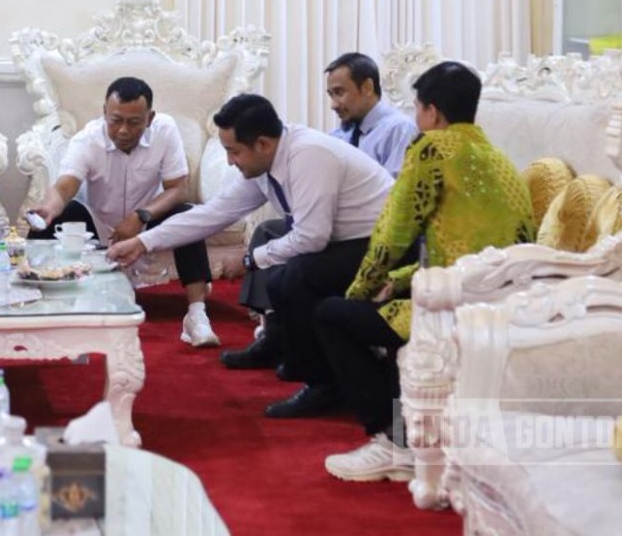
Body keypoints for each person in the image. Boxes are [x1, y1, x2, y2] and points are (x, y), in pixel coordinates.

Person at [109, 93, 393, 417]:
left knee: (295, 278)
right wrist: (144, 242)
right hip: (343, 239)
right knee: (280, 273)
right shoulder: (267, 163)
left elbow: (312, 237)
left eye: (233, 151)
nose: (230, 161)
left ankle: (324, 386)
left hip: (378, 245)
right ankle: (279, 346)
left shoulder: (309, 155)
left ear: (262, 144)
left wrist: (252, 258)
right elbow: (212, 214)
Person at [319, 61, 534, 482]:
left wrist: (359, 291)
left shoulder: (432, 149)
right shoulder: (501, 159)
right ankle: (420, 428)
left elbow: (392, 234)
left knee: (333, 316)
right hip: (508, 299)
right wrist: (398, 282)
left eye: (417, 108)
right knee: (376, 309)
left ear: (432, 111)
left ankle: (398, 441)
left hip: (455, 303)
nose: (416, 118)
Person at [235, 53, 419, 351]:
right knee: (269, 231)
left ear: (368, 87)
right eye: (330, 94)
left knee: (298, 254)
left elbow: (397, 194)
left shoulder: (399, 129)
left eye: (340, 92)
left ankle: (296, 344)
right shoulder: (338, 134)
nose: (334, 103)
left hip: (372, 229)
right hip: (332, 222)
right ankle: (275, 328)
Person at [25, 77, 219, 348]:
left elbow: (178, 188)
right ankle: (38, 308)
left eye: (134, 122)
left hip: (147, 220)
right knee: (55, 217)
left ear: (149, 118)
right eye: (115, 120)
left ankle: (197, 316)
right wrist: (47, 207)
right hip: (97, 221)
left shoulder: (165, 130)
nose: (123, 130)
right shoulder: (87, 139)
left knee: (188, 217)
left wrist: (140, 216)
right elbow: (64, 187)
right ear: (105, 111)